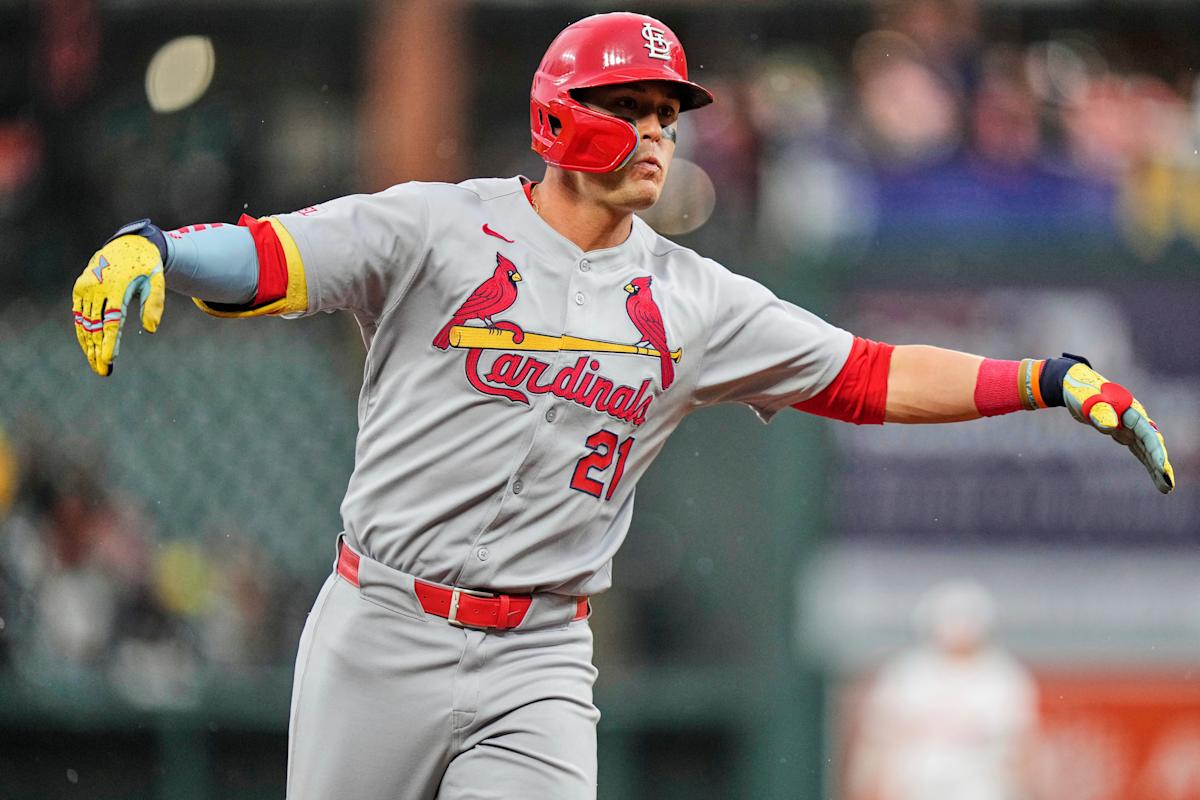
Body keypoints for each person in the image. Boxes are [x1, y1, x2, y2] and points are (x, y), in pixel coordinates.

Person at [70, 11, 1173, 800]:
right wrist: (158, 250)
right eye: (630, 106)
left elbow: (866, 372)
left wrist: (1043, 377)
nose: (657, 131)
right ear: (558, 118)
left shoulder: (694, 298)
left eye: (668, 112)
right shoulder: (437, 228)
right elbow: (271, 253)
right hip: (382, 627)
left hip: (539, 652)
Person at [846, 580, 1039, 800]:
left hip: (980, 789)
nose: (959, 630)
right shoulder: (907, 673)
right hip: (916, 788)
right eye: (952, 620)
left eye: (967, 620)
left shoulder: (1002, 676)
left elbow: (1020, 746)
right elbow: (876, 739)